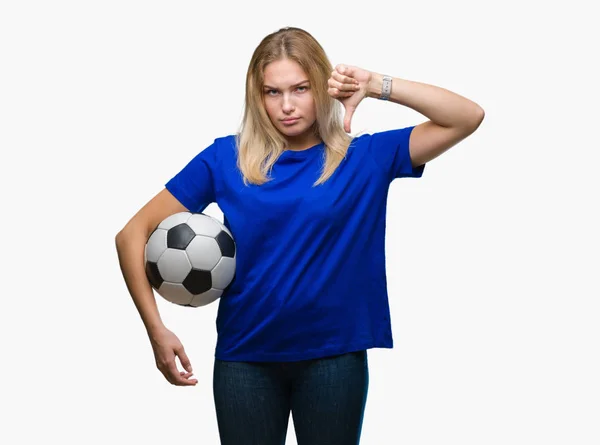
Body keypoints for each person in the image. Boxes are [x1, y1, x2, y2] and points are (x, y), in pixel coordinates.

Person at [115, 26, 484, 445]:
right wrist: (157, 331)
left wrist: (376, 84)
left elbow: (466, 116)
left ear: (323, 88)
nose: (286, 106)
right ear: (258, 96)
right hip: (245, 360)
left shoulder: (364, 158)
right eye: (273, 92)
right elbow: (131, 235)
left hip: (333, 359)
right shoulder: (226, 158)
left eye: (301, 88)